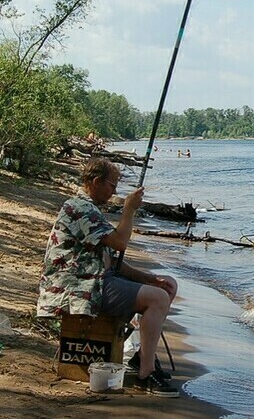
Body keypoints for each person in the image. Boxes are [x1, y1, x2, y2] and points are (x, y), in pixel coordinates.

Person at [37, 158, 180, 397]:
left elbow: (112, 260)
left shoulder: (91, 209)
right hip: (78, 285)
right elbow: (120, 242)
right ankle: (146, 374)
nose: (115, 190)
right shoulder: (80, 208)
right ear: (95, 182)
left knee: (167, 286)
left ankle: (141, 357)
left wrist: (149, 278)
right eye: (112, 185)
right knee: (157, 299)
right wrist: (129, 209)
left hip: (96, 276)